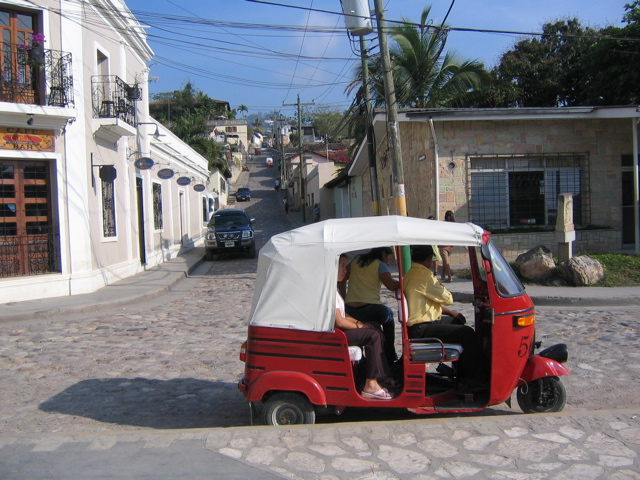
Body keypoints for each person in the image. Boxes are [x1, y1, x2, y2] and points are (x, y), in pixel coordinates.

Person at [404, 245, 488, 392]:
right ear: (429, 259)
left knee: (458, 321)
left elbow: (427, 303)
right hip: (421, 328)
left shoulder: (411, 273)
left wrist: (451, 314)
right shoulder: (424, 277)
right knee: (467, 333)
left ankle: (461, 374)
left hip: (422, 323)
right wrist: (440, 285)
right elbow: (448, 298)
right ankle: (474, 379)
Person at [336, 255, 395, 400]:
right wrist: (359, 326)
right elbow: (340, 322)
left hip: (340, 330)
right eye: (342, 266)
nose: (346, 270)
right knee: (372, 335)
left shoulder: (334, 289)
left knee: (374, 326)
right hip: (336, 334)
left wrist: (360, 324)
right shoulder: (328, 291)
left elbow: (345, 314)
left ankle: (382, 374)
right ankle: (371, 384)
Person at [345, 247, 400, 364]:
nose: (388, 263)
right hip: (370, 309)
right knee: (389, 315)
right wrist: (405, 282)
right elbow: (391, 285)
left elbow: (343, 278)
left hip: (349, 308)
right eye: (389, 259)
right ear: (383, 254)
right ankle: (390, 352)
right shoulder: (380, 265)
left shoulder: (356, 260)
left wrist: (343, 297)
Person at [438, 210, 456, 283]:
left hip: (443, 245)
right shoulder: (455, 224)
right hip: (451, 246)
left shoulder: (443, 224)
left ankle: (449, 277)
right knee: (445, 261)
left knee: (445, 261)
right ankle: (443, 275)